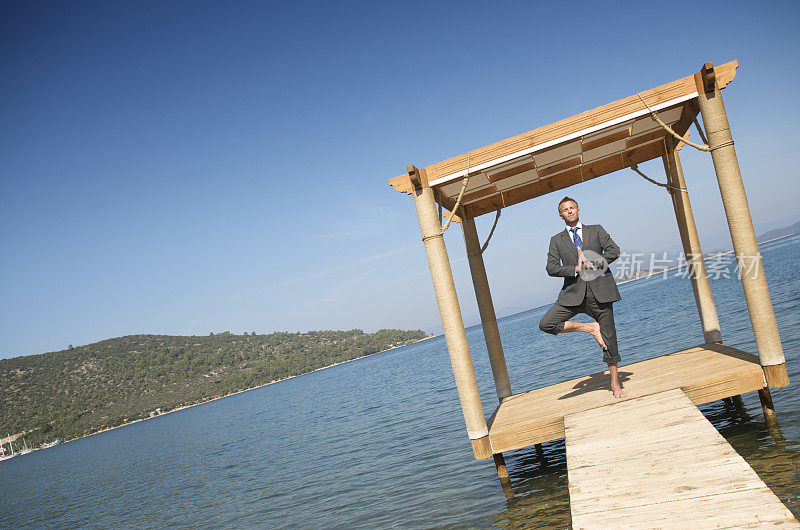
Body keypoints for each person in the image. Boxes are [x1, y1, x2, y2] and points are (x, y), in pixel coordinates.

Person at [538, 196, 628, 398]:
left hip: (600, 292)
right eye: (565, 209)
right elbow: (551, 268)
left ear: (578, 210)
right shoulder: (556, 240)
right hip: (573, 294)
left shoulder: (596, 230)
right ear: (560, 215)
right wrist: (576, 268)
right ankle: (590, 328)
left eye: (572, 208)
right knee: (546, 323)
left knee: (610, 339)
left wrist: (593, 262)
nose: (569, 211)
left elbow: (614, 251)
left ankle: (615, 383)